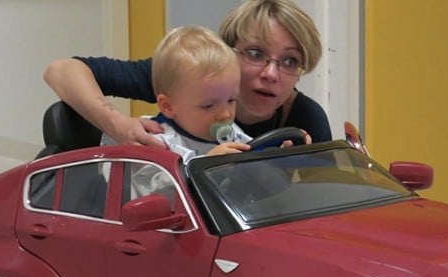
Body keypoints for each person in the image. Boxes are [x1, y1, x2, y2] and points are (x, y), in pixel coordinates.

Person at [43, 0, 330, 148]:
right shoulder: (186, 78)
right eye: (255, 53)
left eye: (290, 61)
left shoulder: (306, 120)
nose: (271, 73)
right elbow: (60, 71)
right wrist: (117, 124)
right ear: (227, 51)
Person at [101, 25, 252, 162]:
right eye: (209, 105)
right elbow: (159, 185)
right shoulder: (159, 143)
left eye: (231, 100)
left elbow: (251, 151)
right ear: (168, 106)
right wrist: (206, 164)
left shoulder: (230, 132)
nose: (225, 114)